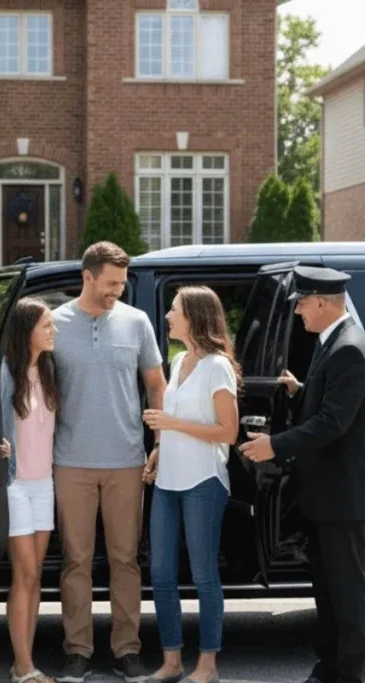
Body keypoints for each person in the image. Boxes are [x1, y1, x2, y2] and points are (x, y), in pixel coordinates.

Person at [238, 265, 365, 683]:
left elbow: (332, 425)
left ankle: (352, 674)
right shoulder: (333, 342)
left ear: (321, 301)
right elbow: (330, 404)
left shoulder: (350, 349)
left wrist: (274, 445)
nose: (298, 312)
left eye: (301, 303)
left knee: (349, 591)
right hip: (330, 494)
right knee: (327, 586)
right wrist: (301, 391)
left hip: (346, 495)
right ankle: (331, 664)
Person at [51, 241, 167, 683]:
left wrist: (158, 440)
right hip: (70, 461)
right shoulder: (56, 324)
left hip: (126, 461)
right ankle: (78, 651)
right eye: (111, 283)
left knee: (125, 559)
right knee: (76, 560)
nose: (118, 290)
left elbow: (156, 384)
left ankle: (127, 650)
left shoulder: (136, 323)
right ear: (88, 276)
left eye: (122, 283)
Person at [140, 286, 240, 683]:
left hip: (203, 481)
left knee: (203, 575)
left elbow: (228, 432)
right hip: (167, 481)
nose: (167, 315)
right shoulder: (178, 361)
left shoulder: (218, 366)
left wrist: (172, 425)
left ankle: (207, 666)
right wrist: (159, 449)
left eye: (174, 310)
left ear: (195, 316)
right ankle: (171, 661)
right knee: (161, 573)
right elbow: (172, 418)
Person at [0, 296, 60, 683]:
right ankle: (23, 667)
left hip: (45, 484)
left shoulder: (50, 371)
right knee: (22, 575)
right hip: (17, 486)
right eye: (47, 326)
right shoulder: (7, 373)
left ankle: (26, 660)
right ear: (27, 331)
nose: (54, 331)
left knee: (35, 575)